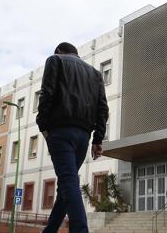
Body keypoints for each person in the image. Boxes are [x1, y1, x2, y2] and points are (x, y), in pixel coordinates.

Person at [36, 42, 109, 233]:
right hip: (83, 137)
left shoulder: (55, 61)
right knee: (66, 185)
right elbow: (103, 109)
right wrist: (98, 140)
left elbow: (47, 94)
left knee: (68, 181)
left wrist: (43, 125)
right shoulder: (96, 74)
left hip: (60, 132)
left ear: (59, 51)